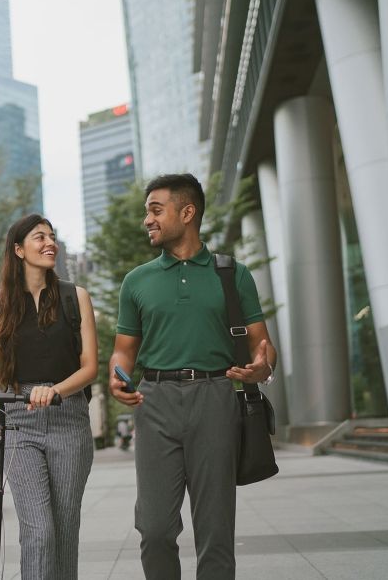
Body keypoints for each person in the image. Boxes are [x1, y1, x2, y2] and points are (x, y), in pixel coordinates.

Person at [109, 173, 276, 580]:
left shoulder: (232, 274)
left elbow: (263, 347)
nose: (147, 219)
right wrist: (118, 379)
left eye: (155, 210)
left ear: (187, 212)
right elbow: (124, 350)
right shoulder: (137, 281)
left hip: (215, 397)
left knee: (216, 530)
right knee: (155, 528)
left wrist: (260, 365)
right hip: (154, 401)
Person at [0, 213, 98, 580]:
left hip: (68, 416)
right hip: (20, 421)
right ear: (18, 249)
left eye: (52, 236)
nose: (50, 243)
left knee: (64, 529)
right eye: (39, 237)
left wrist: (55, 390)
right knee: (38, 530)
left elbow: (89, 367)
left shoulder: (76, 298)